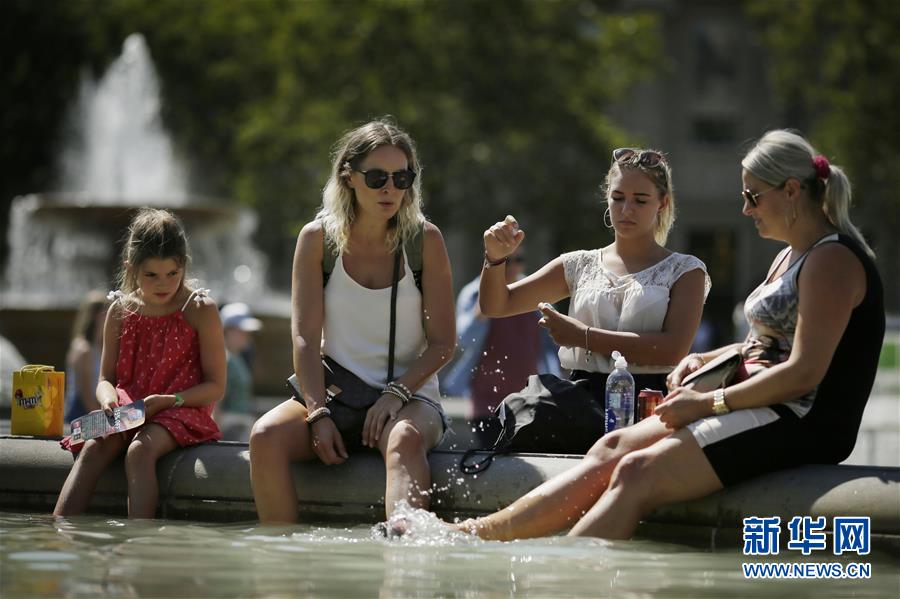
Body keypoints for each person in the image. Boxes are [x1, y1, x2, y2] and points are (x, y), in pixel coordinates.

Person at [453, 130, 884, 541]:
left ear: (791, 191)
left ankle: (567, 579)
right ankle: (481, 535)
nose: (746, 209)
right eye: (618, 198)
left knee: (636, 472)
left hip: (798, 419)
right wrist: (714, 358)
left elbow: (804, 373)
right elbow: (771, 343)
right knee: (614, 448)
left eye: (753, 196)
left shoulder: (831, 259)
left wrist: (709, 401)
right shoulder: (793, 256)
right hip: (759, 401)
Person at [249, 119, 456, 523]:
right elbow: (306, 339)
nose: (390, 189)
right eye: (377, 177)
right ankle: (282, 568)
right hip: (336, 394)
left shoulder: (425, 241)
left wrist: (396, 393)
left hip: (410, 398)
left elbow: (444, 343)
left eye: (402, 178)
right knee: (264, 436)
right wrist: (317, 412)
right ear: (349, 177)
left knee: (404, 439)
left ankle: (405, 563)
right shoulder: (316, 240)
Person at [478, 147, 709, 414]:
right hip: (581, 403)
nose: (626, 209)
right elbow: (496, 305)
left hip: (652, 404)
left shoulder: (686, 270)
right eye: (618, 197)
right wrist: (494, 259)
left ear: (663, 203)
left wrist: (583, 336)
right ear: (607, 199)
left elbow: (672, 350)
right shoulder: (579, 264)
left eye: (640, 200)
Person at [54, 208, 226, 518]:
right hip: (129, 407)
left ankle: (139, 543)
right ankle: (59, 532)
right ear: (130, 268)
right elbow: (105, 377)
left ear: (184, 265)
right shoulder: (119, 310)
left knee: (139, 451)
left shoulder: (200, 309)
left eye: (172, 274)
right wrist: (106, 398)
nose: (164, 284)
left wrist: (170, 400)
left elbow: (215, 386)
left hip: (180, 408)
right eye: (151, 276)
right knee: (94, 448)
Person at [441, 248, 561, 446]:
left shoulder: (534, 291)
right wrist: (486, 303)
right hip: (486, 402)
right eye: (506, 260)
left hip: (528, 400)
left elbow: (554, 341)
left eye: (518, 260)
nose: (512, 266)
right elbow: (464, 338)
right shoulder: (474, 293)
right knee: (493, 462)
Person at [214, 302, 262, 441]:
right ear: (227, 330)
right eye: (241, 331)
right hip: (231, 428)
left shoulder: (237, 358)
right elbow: (217, 402)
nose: (247, 336)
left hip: (241, 426)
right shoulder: (226, 360)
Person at [63, 291, 109, 424]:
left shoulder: (102, 346)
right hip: (80, 414)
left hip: (97, 409)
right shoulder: (84, 349)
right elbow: (86, 395)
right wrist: (107, 422)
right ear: (95, 316)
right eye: (108, 311)